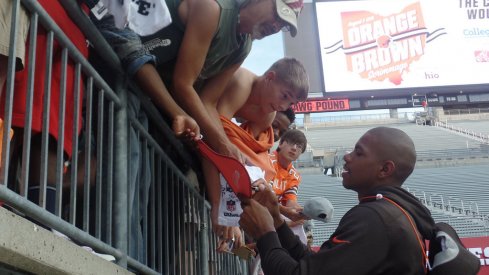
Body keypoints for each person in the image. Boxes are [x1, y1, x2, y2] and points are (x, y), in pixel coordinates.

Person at [94, 0, 304, 162]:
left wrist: (231, 152)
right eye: (278, 15)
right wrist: (222, 145)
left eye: (283, 26)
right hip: (111, 57)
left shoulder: (244, 46)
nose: (276, 27)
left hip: (140, 86)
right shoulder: (214, 9)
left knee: (141, 174)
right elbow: (183, 84)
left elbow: (208, 102)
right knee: (122, 161)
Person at [239, 127, 436, 275]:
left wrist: (265, 233)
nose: (347, 157)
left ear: (385, 170)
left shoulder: (375, 218)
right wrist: (277, 221)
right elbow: (316, 265)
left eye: (358, 153)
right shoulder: (388, 212)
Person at [207, 57, 308, 247]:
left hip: (215, 164)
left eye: (290, 103)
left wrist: (284, 212)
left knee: (259, 169)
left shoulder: (267, 116)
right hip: (190, 121)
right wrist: (221, 208)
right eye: (284, 96)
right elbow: (215, 140)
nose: (283, 107)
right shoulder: (242, 82)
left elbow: (246, 164)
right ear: (269, 77)